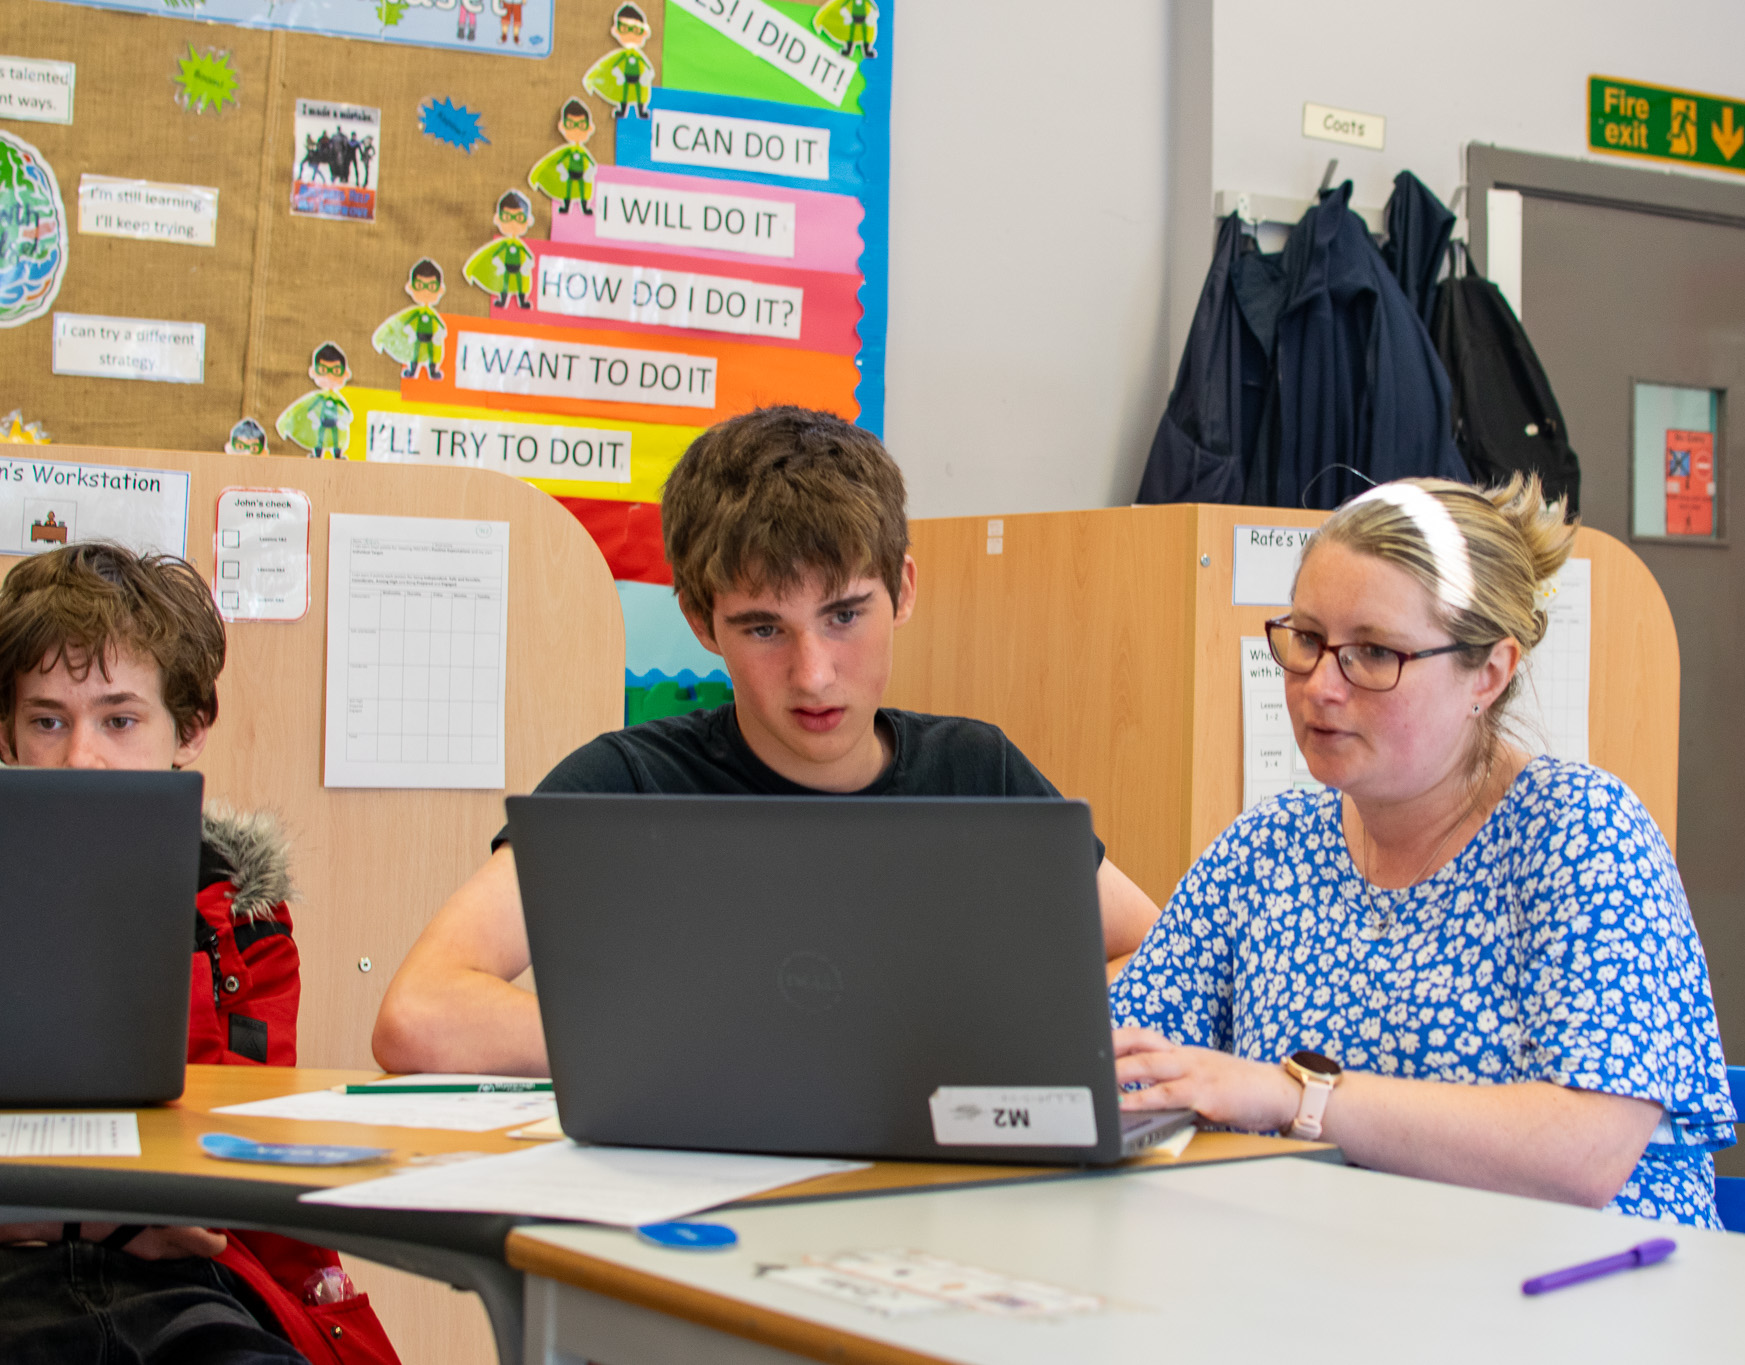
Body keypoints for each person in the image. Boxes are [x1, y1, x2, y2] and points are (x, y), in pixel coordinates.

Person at [374, 406, 1161, 1076]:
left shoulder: (976, 773)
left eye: (845, 615)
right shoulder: (627, 783)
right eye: (763, 628)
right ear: (699, 620)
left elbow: (1155, 958)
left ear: (905, 591)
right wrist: (719, 1043)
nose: (813, 674)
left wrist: (980, 1036)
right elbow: (418, 1013)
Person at [1111, 477, 1736, 1227]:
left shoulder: (1581, 833)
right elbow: (1124, 1067)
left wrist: (1291, 1095)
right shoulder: (1266, 847)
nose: (1321, 686)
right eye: (1306, 640)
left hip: (1569, 1303)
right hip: (1329, 1290)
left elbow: (1584, 1151)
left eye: (1373, 653)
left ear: (1490, 672)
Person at [0, 544, 400, 1365]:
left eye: (119, 718)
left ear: (187, 730)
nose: (82, 756)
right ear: (6, 733)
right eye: (48, 720)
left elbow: (234, 1157)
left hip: (188, 1281)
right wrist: (83, 1217)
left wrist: (64, 1211)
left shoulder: (243, 919)